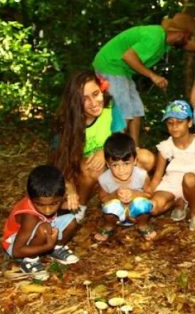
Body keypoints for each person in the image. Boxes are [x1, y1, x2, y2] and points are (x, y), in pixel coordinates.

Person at [51, 70, 153, 222]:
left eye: (95, 93)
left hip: (109, 165)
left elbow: (119, 138)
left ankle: (130, 195)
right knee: (90, 166)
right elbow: (58, 163)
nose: (93, 103)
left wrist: (102, 150)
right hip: (81, 175)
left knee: (146, 158)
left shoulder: (110, 107)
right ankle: (81, 207)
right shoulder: (66, 124)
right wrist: (70, 188)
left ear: (102, 89)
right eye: (84, 98)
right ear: (75, 101)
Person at [93, 12, 195, 146]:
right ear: (181, 34)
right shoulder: (155, 38)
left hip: (122, 71)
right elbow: (128, 57)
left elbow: (187, 45)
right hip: (110, 66)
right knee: (124, 109)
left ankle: (134, 148)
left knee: (136, 109)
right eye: (188, 37)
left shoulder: (165, 40)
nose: (188, 40)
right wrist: (153, 76)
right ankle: (115, 150)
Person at [148, 100, 195, 232]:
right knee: (153, 208)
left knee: (189, 178)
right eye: (170, 123)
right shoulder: (165, 146)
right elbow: (158, 176)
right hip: (171, 183)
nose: (174, 126)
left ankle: (194, 213)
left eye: (179, 122)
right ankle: (179, 202)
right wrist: (146, 196)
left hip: (194, 183)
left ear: (189, 122)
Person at [2, 165, 79, 280]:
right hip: (16, 243)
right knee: (44, 229)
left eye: (54, 204)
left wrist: (72, 191)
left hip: (42, 228)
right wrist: (48, 246)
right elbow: (16, 251)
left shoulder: (51, 196)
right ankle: (30, 261)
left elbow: (65, 183)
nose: (47, 210)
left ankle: (56, 249)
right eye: (40, 204)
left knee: (71, 221)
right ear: (30, 197)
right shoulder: (30, 216)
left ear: (63, 196)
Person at [95, 133, 155, 242]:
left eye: (126, 163)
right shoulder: (104, 179)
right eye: (115, 165)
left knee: (143, 204)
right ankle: (109, 226)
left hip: (135, 213)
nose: (121, 170)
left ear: (135, 161)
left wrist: (135, 193)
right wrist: (115, 195)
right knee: (109, 206)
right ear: (108, 164)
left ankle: (143, 225)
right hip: (116, 215)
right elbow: (102, 198)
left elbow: (149, 194)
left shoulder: (141, 175)